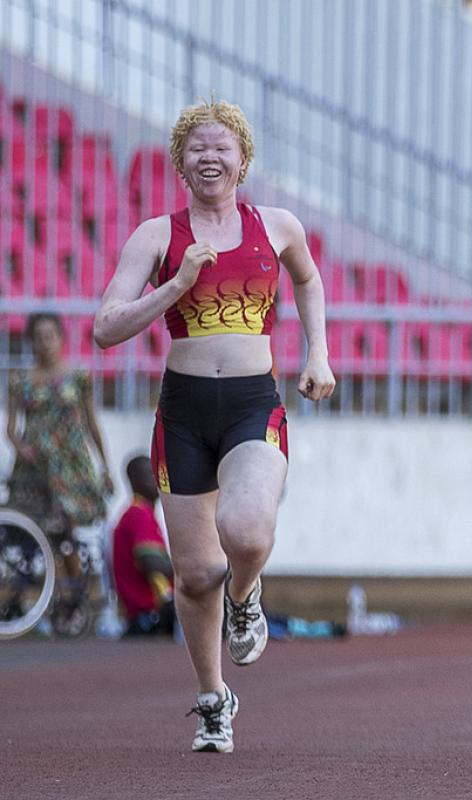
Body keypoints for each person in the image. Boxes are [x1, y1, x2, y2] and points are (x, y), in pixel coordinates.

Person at [93, 99, 335, 753]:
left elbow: (308, 281)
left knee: (247, 528)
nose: (209, 155)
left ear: (244, 160)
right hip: (184, 413)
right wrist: (176, 285)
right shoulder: (155, 236)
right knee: (196, 573)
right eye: (196, 147)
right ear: (180, 162)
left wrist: (318, 351)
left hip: (256, 402)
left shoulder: (276, 226)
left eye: (221, 146)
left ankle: (248, 597)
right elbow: (105, 327)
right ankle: (212, 700)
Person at [6, 312, 113, 624]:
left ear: (61, 338)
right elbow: (11, 428)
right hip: (35, 464)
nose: (45, 343)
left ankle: (75, 596)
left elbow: (91, 422)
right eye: (38, 338)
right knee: (42, 528)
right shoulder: (19, 380)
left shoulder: (78, 377)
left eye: (50, 336)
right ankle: (54, 597)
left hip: (72, 464)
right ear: (30, 342)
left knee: (66, 525)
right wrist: (19, 446)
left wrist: (104, 465)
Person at [111, 455, 175, 636]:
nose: (156, 479)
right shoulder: (138, 514)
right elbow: (151, 564)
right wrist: (191, 570)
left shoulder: (141, 513)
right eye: (150, 474)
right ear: (134, 479)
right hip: (147, 614)